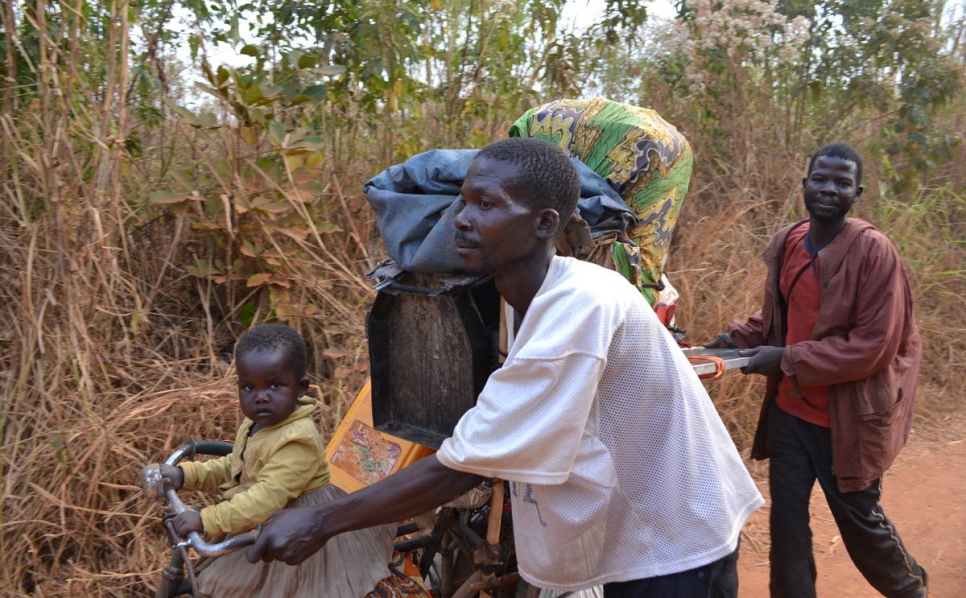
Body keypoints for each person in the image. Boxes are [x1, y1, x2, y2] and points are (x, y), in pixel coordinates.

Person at [247, 137, 763, 597]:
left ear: (544, 224)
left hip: (676, 541)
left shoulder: (579, 306)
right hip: (641, 530)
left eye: (487, 205)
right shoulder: (527, 299)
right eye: (464, 201)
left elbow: (465, 465)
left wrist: (320, 522)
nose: (462, 219)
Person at [705, 142, 927, 597]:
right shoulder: (790, 241)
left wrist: (785, 360)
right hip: (791, 411)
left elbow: (872, 347)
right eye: (820, 179)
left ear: (857, 192)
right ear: (804, 184)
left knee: (860, 524)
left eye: (841, 183)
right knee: (787, 525)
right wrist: (729, 345)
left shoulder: (874, 253)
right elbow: (773, 322)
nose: (829, 189)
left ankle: (911, 589)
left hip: (846, 421)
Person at [157, 323, 396, 597]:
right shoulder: (256, 425)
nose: (260, 397)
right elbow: (236, 465)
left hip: (297, 526)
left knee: (244, 587)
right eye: (248, 387)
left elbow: (264, 498)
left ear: (301, 388)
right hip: (261, 518)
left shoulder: (298, 440)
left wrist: (207, 518)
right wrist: (187, 476)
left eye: (275, 385)